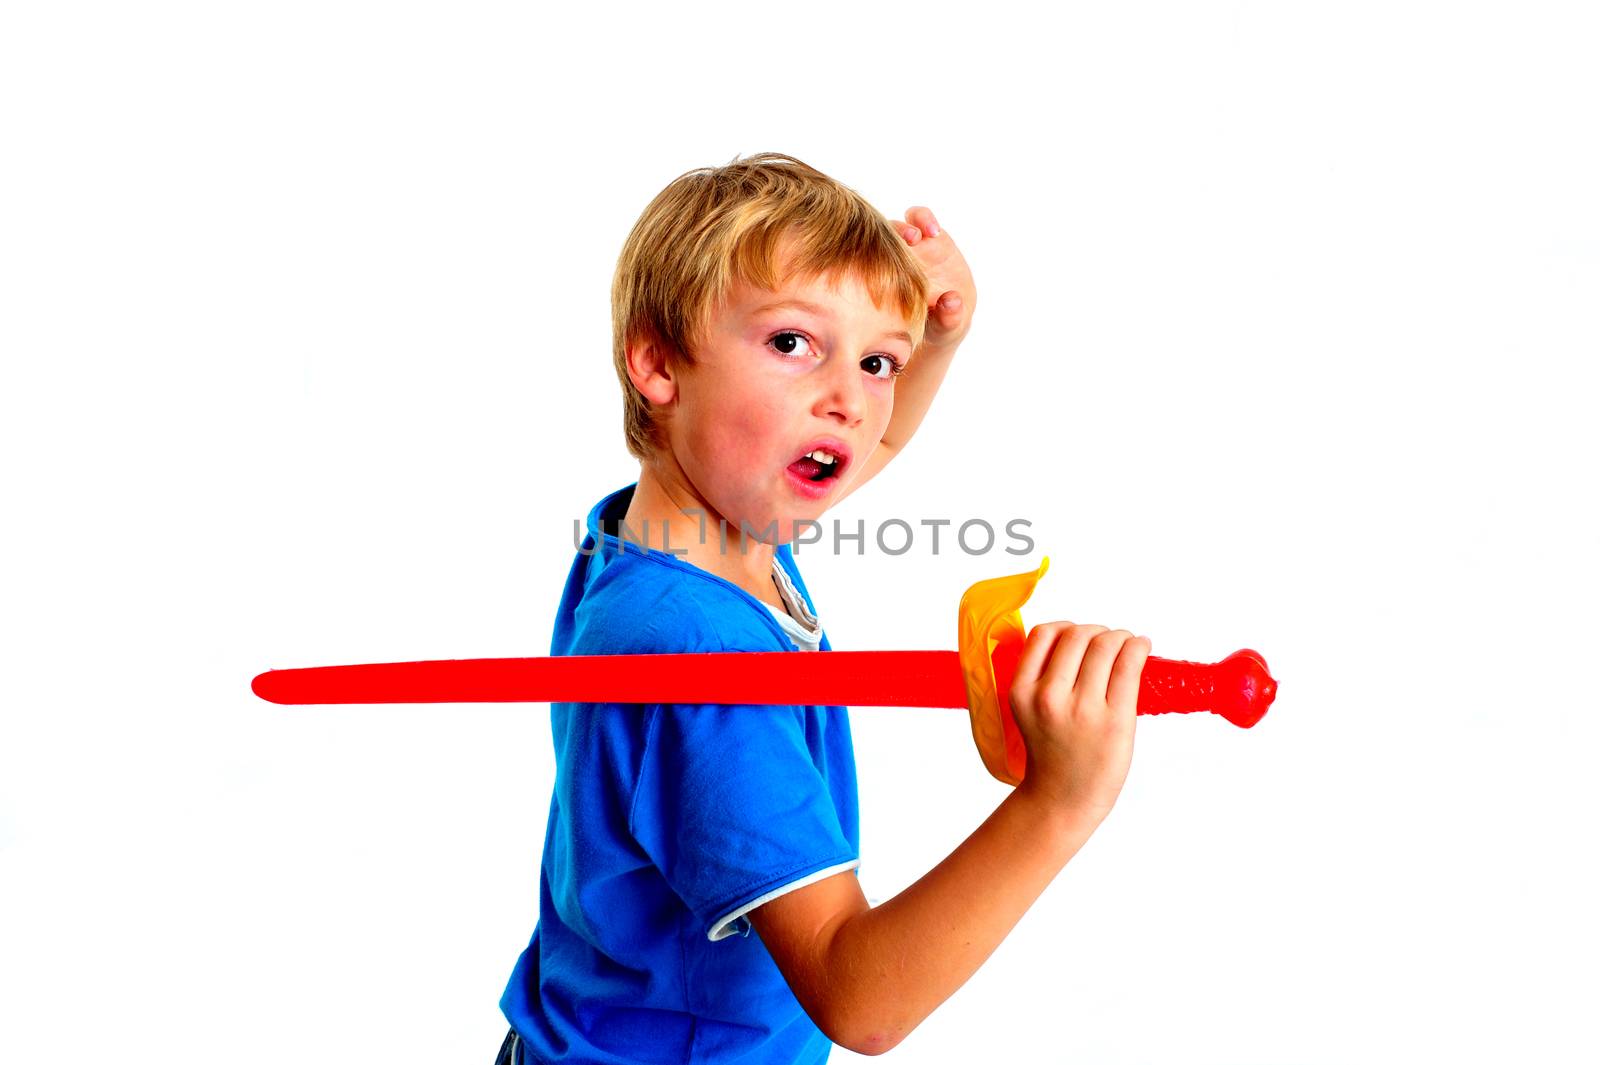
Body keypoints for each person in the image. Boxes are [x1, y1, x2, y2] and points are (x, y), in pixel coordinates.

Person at [496, 152, 1151, 1062]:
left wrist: (937, 342)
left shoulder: (675, 540)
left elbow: (862, 439)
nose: (851, 403)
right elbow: (859, 996)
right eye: (794, 344)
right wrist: (1061, 801)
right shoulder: (709, 668)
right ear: (657, 361)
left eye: (878, 359)